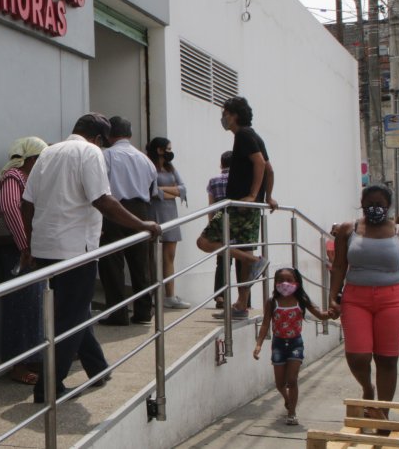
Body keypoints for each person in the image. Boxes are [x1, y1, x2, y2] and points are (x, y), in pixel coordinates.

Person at [22, 113, 161, 402]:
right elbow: (103, 201)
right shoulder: (90, 152)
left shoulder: (47, 152)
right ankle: (47, 388)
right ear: (98, 139)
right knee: (70, 318)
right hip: (75, 250)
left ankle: (97, 367)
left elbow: (27, 203)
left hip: (46, 248)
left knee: (77, 309)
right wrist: (142, 224)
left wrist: (30, 244)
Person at [329, 185, 399, 415]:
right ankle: (367, 387)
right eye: (370, 205)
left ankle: (382, 412)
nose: (375, 209)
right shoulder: (347, 230)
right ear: (362, 204)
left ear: (389, 207)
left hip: (393, 300)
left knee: (386, 359)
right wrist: (332, 297)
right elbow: (339, 266)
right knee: (357, 356)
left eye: (380, 205)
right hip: (356, 298)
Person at [198, 97, 273, 319]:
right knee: (243, 254)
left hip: (238, 205)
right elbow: (270, 169)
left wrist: (252, 195)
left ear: (235, 115)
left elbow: (260, 164)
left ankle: (255, 261)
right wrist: (268, 196)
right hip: (248, 207)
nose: (224, 117)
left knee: (204, 242)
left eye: (226, 113)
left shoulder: (243, 135)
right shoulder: (252, 135)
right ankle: (241, 305)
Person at [0, 136, 48, 385]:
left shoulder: (28, 179)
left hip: (29, 252)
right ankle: (17, 364)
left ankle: (33, 356)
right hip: (19, 254)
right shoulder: (13, 177)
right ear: (31, 158)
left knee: (33, 305)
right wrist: (25, 245)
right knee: (20, 307)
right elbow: (8, 207)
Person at [252, 268, 333, 425]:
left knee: (292, 380)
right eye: (281, 280)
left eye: (289, 280)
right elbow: (265, 324)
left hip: (296, 343)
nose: (285, 284)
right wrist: (258, 345)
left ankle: (292, 412)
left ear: (296, 282)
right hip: (278, 344)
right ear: (275, 283)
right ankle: (288, 399)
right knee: (280, 383)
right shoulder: (272, 302)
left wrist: (333, 312)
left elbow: (320, 315)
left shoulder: (301, 299)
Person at [97, 117, 159, 325]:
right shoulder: (145, 159)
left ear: (109, 135)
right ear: (129, 134)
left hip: (114, 210)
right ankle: (143, 312)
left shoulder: (106, 156)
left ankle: (118, 313)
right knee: (141, 264)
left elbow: (100, 188)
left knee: (111, 264)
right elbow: (153, 190)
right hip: (142, 211)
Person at [148, 136, 190, 310]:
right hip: (154, 214)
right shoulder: (149, 167)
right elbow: (151, 192)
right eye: (168, 148)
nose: (170, 152)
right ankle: (151, 295)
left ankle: (170, 296)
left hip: (171, 215)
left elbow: (183, 190)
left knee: (169, 257)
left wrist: (163, 190)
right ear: (159, 149)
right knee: (152, 258)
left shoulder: (171, 167)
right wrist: (171, 191)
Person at [207, 151, 235, 309]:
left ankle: (220, 296)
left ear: (221, 163)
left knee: (222, 261)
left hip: (220, 223)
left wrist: (211, 226)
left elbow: (211, 206)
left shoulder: (214, 181)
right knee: (242, 259)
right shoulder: (239, 179)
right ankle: (246, 299)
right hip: (237, 223)